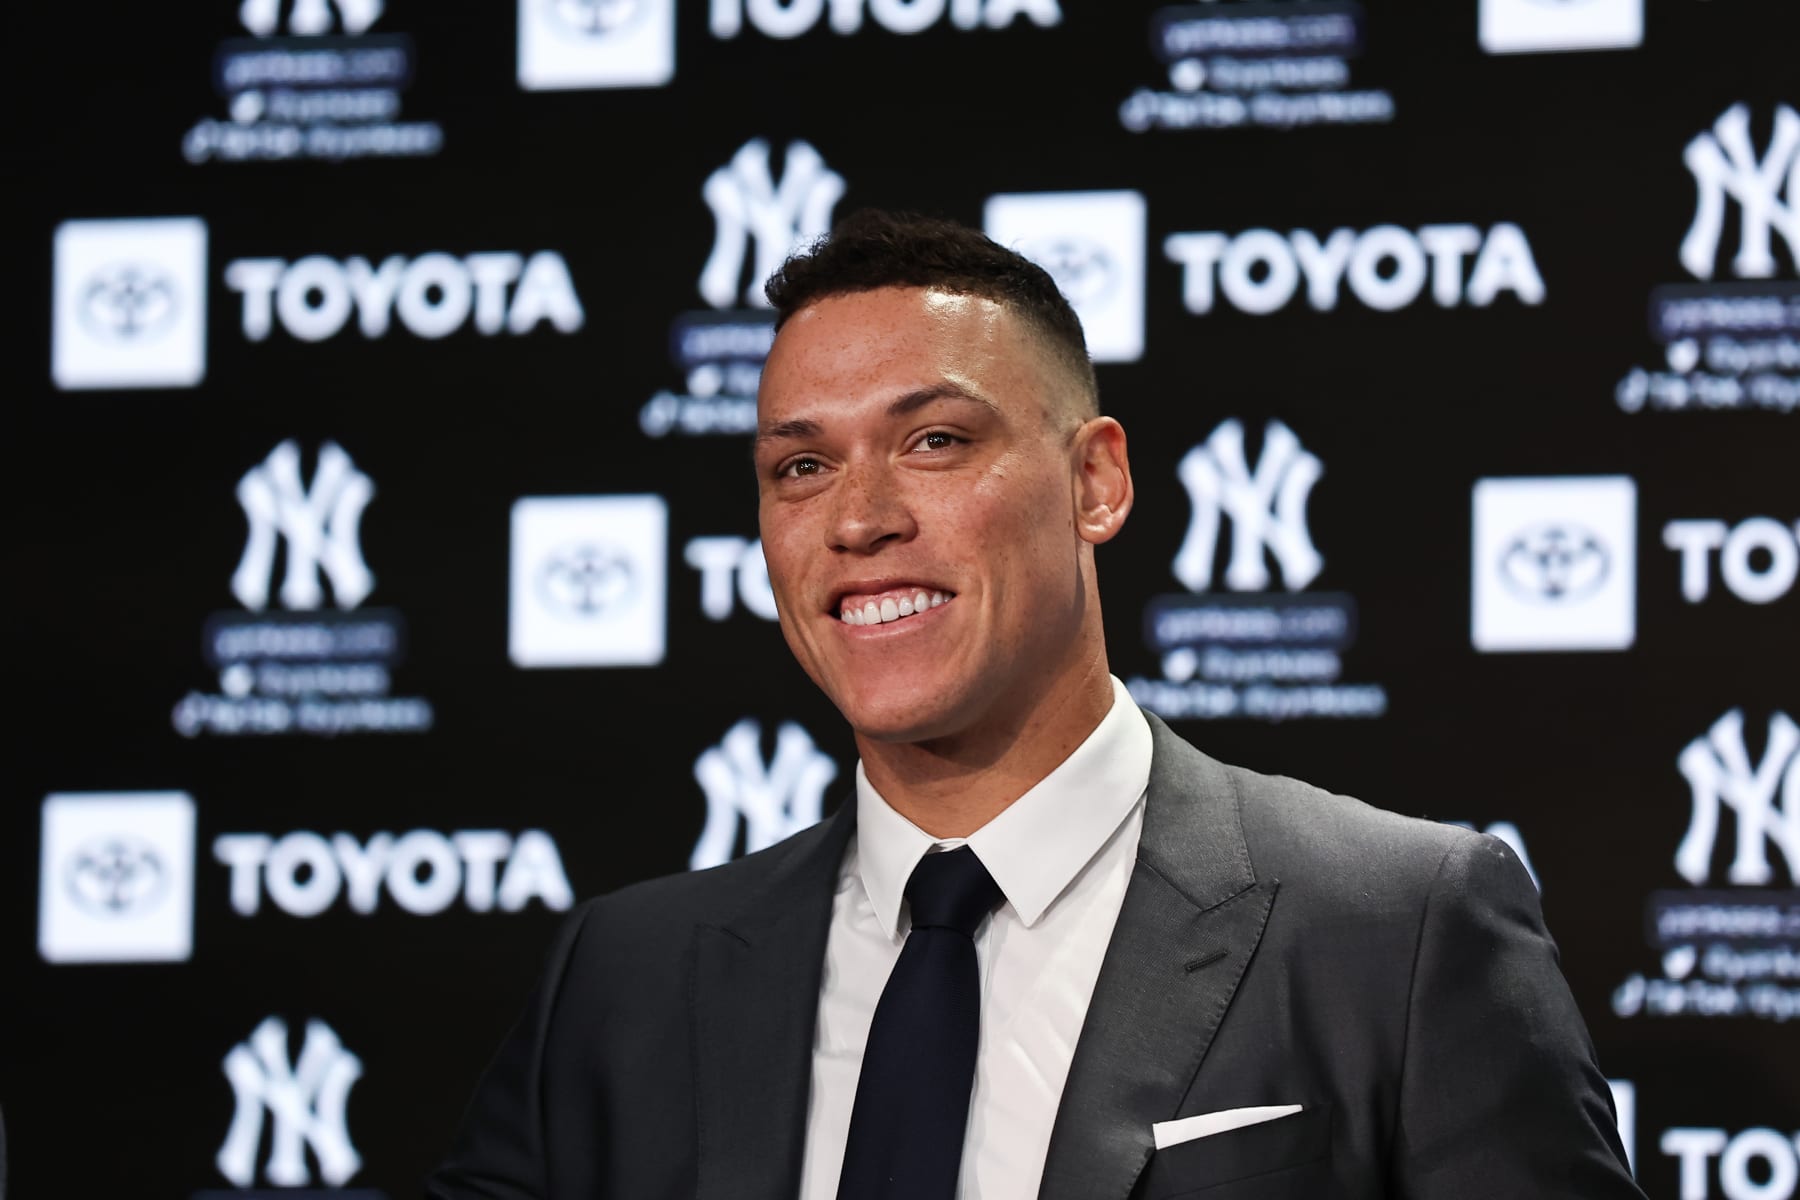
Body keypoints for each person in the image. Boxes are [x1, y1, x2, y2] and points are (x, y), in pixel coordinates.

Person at [428, 211, 1643, 1199]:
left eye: (935, 442)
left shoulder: (1398, 929)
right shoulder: (624, 979)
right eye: (802, 466)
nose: (859, 520)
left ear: (1096, 481)